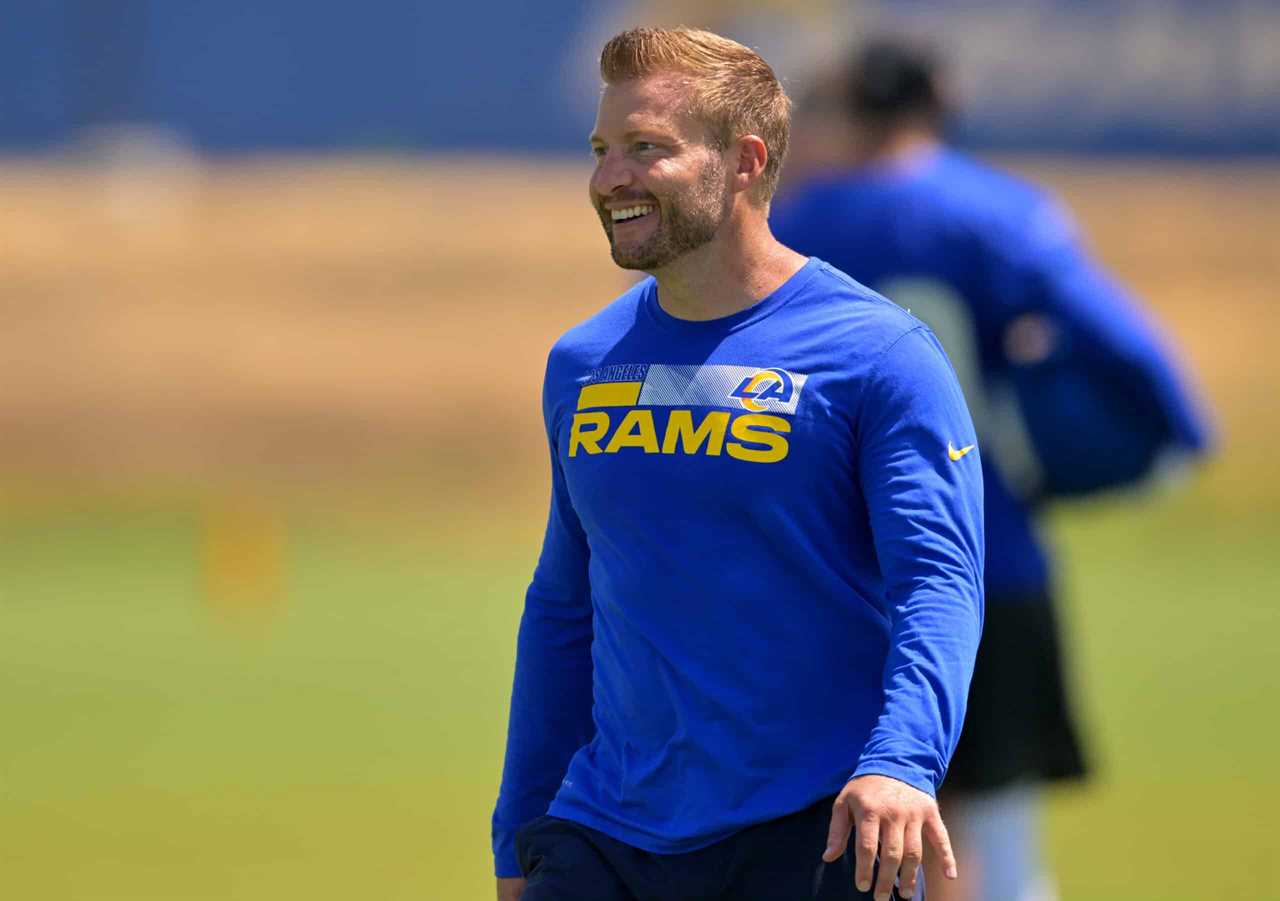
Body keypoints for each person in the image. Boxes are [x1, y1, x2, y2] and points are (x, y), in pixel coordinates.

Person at [492, 27, 985, 901]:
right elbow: (564, 606)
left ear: (745, 160)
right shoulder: (586, 362)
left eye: (648, 148)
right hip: (604, 834)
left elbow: (938, 583)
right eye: (603, 149)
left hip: (820, 829)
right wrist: (519, 829)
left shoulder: (880, 355)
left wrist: (902, 764)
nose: (610, 179)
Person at [771, 38, 1212, 901]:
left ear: (853, 111)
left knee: (851, 853)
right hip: (986, 558)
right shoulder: (996, 212)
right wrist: (1175, 437)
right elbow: (1125, 346)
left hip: (834, 571)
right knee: (999, 853)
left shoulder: (800, 222)